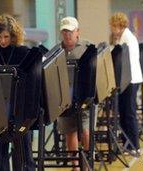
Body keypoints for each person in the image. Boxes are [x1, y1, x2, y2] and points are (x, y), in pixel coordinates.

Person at [0, 14, 35, 171]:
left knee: (23, 153)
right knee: (0, 156)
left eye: (6, 36)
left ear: (13, 36)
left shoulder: (24, 52)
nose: (2, 41)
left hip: (20, 109)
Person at [57, 16, 91, 171]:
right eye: (64, 31)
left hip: (84, 97)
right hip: (65, 99)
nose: (67, 35)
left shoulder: (87, 48)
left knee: (85, 129)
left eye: (70, 31)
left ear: (78, 32)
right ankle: (76, 166)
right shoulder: (57, 52)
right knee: (70, 131)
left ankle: (86, 162)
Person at [109, 12, 143, 155]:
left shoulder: (127, 39)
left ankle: (134, 145)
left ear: (119, 25)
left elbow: (124, 63)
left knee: (129, 113)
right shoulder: (123, 37)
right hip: (127, 80)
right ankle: (127, 144)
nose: (111, 29)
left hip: (130, 80)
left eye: (113, 26)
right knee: (124, 113)